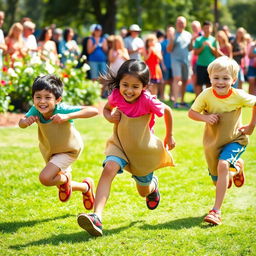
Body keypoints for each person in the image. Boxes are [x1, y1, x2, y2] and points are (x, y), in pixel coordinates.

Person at [77, 59, 175, 236]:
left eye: (135, 86)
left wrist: (169, 135)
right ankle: (96, 217)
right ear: (119, 82)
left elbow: (167, 110)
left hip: (142, 150)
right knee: (108, 169)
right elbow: (106, 109)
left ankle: (152, 187)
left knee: (143, 191)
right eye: (125, 85)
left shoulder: (147, 101)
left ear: (144, 87)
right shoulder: (116, 95)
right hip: (120, 144)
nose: (129, 90)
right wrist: (109, 117)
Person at [188, 56, 256, 225]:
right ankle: (237, 168)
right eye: (216, 78)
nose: (220, 82)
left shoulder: (238, 95)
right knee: (219, 180)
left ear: (233, 80)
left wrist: (251, 126)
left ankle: (216, 211)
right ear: (209, 78)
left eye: (225, 78)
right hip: (213, 143)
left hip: (235, 139)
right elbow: (192, 113)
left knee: (223, 165)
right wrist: (206, 117)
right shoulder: (206, 95)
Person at [18, 75, 99, 210]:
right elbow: (21, 123)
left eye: (47, 97)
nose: (42, 101)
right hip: (51, 151)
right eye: (38, 97)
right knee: (56, 181)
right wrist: (24, 122)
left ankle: (65, 180)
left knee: (45, 178)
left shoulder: (61, 109)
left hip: (69, 149)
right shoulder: (35, 111)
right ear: (33, 98)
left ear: (58, 100)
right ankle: (86, 187)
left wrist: (67, 116)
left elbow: (93, 110)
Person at [167, 16, 192, 108]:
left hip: (186, 60)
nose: (180, 24)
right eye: (179, 22)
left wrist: (192, 41)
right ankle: (175, 101)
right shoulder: (173, 35)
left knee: (185, 80)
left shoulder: (188, 34)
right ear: (176, 24)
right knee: (177, 78)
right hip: (176, 60)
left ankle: (182, 101)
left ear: (185, 24)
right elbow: (169, 49)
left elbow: (190, 49)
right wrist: (172, 40)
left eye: (182, 22)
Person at [193, 21, 219, 97]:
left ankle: (209, 101)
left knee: (210, 84)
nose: (207, 29)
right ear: (203, 29)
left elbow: (216, 53)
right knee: (199, 84)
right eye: (205, 28)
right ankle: (198, 100)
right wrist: (202, 47)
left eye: (208, 28)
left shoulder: (214, 40)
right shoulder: (198, 40)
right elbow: (195, 53)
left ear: (211, 29)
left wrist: (211, 46)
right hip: (200, 65)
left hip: (211, 66)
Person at [0, 11, 7, 77]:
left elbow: (5, 47)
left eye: (2, 19)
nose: (1, 21)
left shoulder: (1, 32)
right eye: (0, 19)